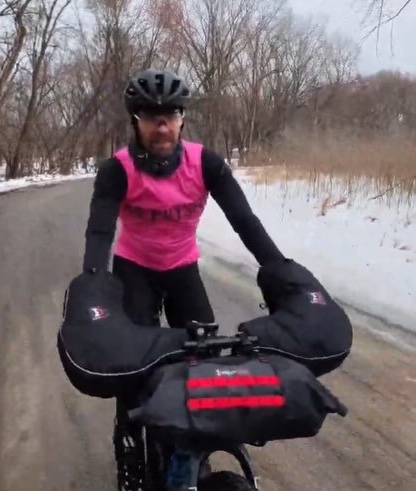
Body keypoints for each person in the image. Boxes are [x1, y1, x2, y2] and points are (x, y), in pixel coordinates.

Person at [81, 69, 286, 491]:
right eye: (151, 115)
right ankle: (132, 442)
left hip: (182, 269)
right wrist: (93, 284)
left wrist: (281, 270)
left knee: (204, 361)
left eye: (170, 115)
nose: (162, 124)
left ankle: (196, 447)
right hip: (135, 269)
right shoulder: (117, 170)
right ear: (135, 120)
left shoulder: (204, 163)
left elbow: (244, 220)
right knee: (133, 364)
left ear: (182, 118)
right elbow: (100, 231)